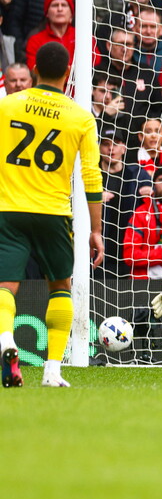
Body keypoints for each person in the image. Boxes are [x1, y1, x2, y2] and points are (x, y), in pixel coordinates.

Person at [0, 43, 102, 389]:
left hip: (9, 209)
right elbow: (91, 175)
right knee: (61, 287)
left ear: (34, 69)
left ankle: (5, 342)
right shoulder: (79, 116)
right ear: (68, 69)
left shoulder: (7, 105)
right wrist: (96, 230)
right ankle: (52, 370)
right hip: (54, 212)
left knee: (5, 287)